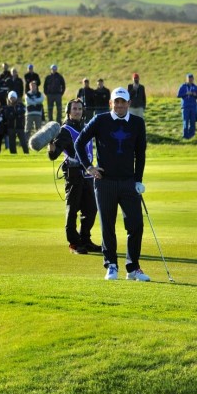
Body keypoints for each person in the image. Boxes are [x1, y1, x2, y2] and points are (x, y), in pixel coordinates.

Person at [75, 87, 150, 281]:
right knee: (107, 225)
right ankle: (112, 266)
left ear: (128, 104)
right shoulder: (100, 120)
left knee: (136, 225)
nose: (119, 105)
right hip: (104, 182)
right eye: (116, 102)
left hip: (128, 182)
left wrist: (138, 180)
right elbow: (79, 142)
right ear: (111, 103)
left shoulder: (137, 123)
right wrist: (89, 168)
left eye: (122, 102)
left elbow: (140, 154)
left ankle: (133, 268)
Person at [47, 99, 98, 255]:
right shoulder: (65, 130)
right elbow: (54, 155)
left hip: (88, 174)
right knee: (73, 209)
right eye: (74, 109)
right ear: (68, 111)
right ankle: (74, 243)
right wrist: (50, 143)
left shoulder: (85, 127)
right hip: (74, 174)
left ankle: (85, 239)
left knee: (91, 209)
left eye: (80, 109)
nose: (77, 111)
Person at [178, 73, 197, 139]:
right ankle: (185, 135)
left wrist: (194, 94)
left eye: (191, 79)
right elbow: (178, 95)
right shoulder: (183, 86)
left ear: (193, 79)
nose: (190, 80)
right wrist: (186, 93)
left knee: (193, 121)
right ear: (186, 79)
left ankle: (191, 135)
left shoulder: (195, 87)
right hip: (185, 106)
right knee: (186, 121)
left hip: (193, 106)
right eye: (189, 79)